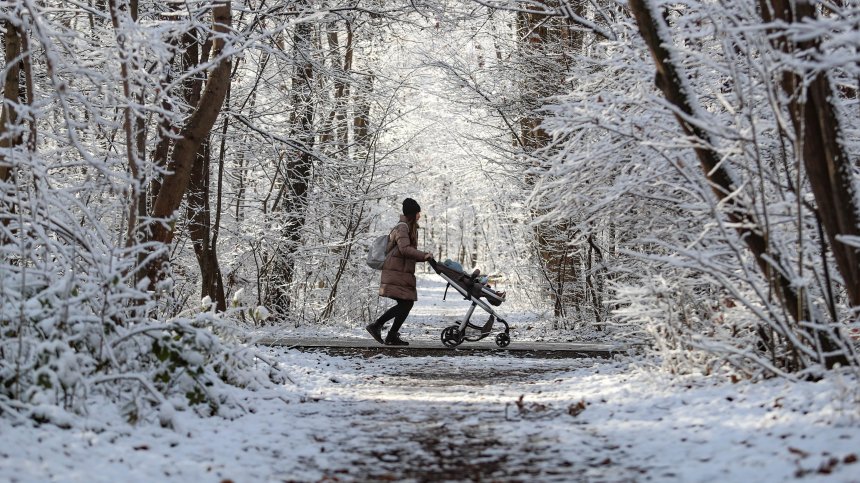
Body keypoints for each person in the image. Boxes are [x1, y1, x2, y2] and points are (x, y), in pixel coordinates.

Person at [365, 198, 433, 346]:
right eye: (417, 213)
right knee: (405, 304)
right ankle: (377, 326)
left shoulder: (407, 227)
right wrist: (423, 255)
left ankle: (391, 335)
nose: (419, 216)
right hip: (396, 272)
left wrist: (424, 257)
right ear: (412, 213)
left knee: (407, 303)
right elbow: (404, 250)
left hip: (400, 271)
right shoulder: (402, 228)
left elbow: (407, 251)